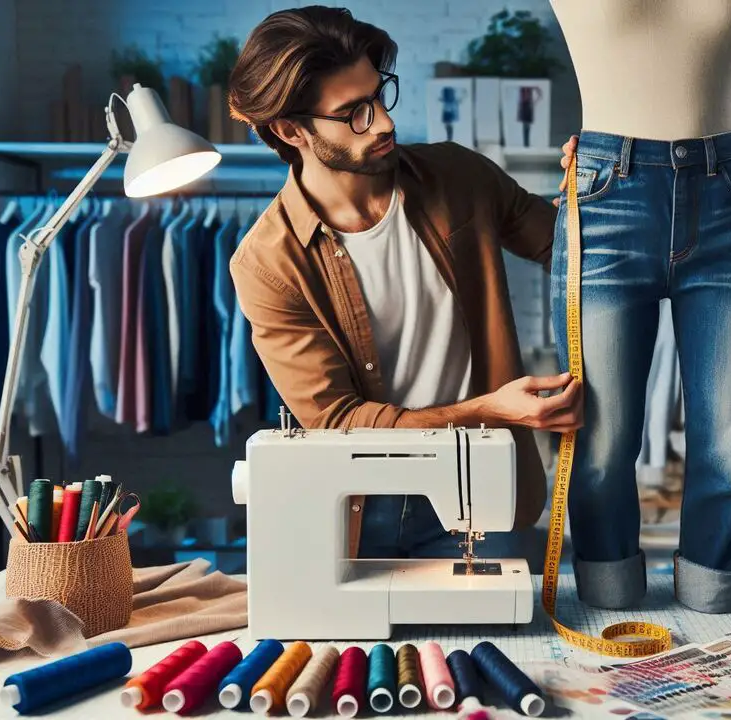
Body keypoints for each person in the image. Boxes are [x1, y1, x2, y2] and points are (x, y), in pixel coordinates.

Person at [227, 6, 581, 562]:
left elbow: (572, 250)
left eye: (380, 96)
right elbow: (340, 421)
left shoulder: (460, 177)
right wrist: (494, 409)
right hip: (364, 508)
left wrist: (597, 186)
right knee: (372, 654)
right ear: (291, 130)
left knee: (511, 645)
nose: (385, 122)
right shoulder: (269, 264)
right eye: (354, 114)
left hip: (486, 484)